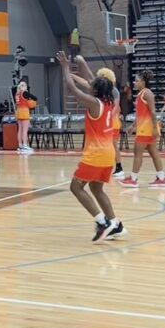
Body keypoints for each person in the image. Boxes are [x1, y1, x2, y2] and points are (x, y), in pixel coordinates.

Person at [58, 52, 125, 241]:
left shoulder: (95, 103)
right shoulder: (109, 101)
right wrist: (81, 63)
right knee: (97, 189)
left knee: (76, 187)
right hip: (108, 154)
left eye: (92, 86)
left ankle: (102, 222)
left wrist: (65, 67)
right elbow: (90, 80)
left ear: (95, 90)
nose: (90, 86)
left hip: (96, 153)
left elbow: (73, 88)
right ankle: (116, 224)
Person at [120, 69, 165, 189]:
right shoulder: (142, 93)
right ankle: (161, 178)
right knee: (154, 153)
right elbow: (141, 113)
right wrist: (133, 125)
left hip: (146, 129)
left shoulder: (147, 93)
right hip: (145, 128)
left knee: (138, 153)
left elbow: (152, 112)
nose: (135, 83)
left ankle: (133, 179)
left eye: (137, 81)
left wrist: (154, 128)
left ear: (143, 82)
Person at [12, 78, 37, 154]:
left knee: (20, 129)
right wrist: (29, 100)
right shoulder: (25, 93)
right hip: (24, 111)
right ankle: (25, 145)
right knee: (25, 130)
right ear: (24, 86)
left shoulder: (17, 94)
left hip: (18, 111)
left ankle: (20, 145)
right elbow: (35, 98)